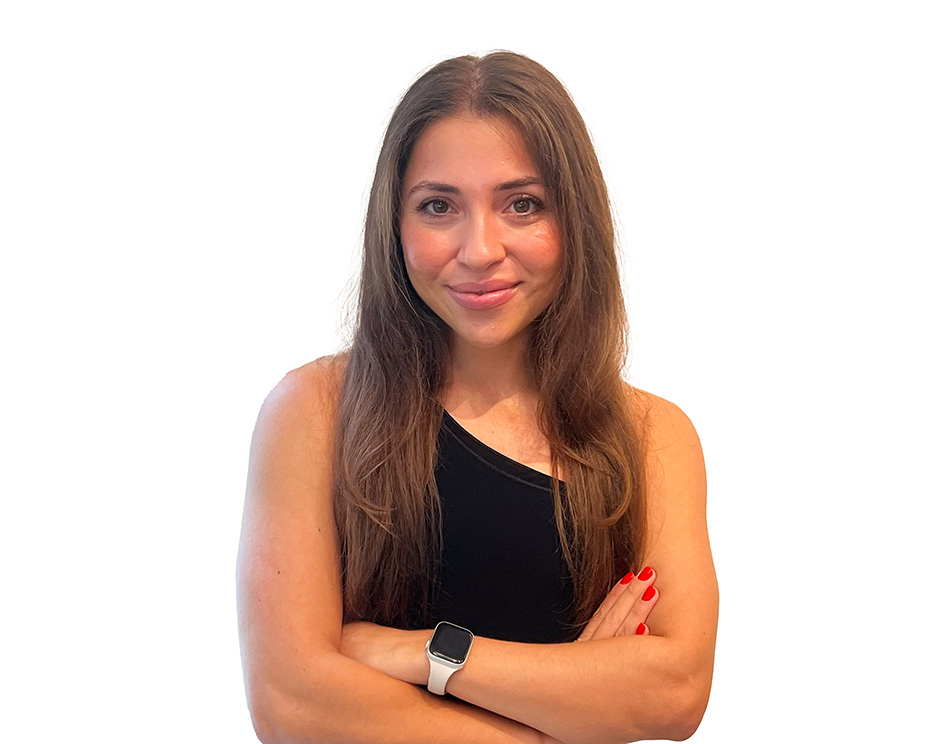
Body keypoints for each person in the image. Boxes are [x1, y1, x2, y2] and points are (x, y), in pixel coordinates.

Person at [237, 51, 718, 744]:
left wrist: (424, 652)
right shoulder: (313, 413)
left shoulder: (652, 437)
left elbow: (674, 691)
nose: (480, 249)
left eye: (523, 204)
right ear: (394, 225)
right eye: (438, 206)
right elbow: (293, 704)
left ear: (575, 218)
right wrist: (565, 720)